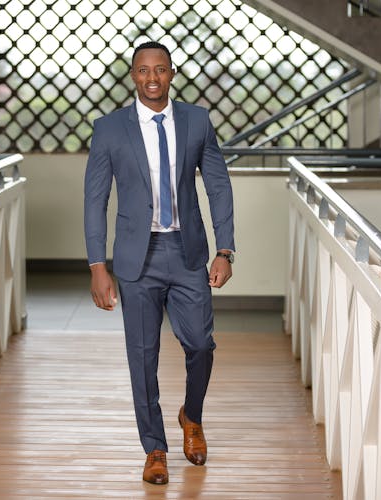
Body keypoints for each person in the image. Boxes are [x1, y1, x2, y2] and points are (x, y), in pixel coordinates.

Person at [84, 40, 235, 485]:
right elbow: (95, 199)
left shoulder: (197, 121)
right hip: (136, 257)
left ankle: (192, 414)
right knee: (142, 356)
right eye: (144, 71)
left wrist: (225, 249)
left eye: (161, 70)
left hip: (187, 252)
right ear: (133, 75)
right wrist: (97, 264)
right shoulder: (109, 129)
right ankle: (155, 448)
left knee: (201, 345)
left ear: (172, 73)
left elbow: (219, 186)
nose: (153, 78)